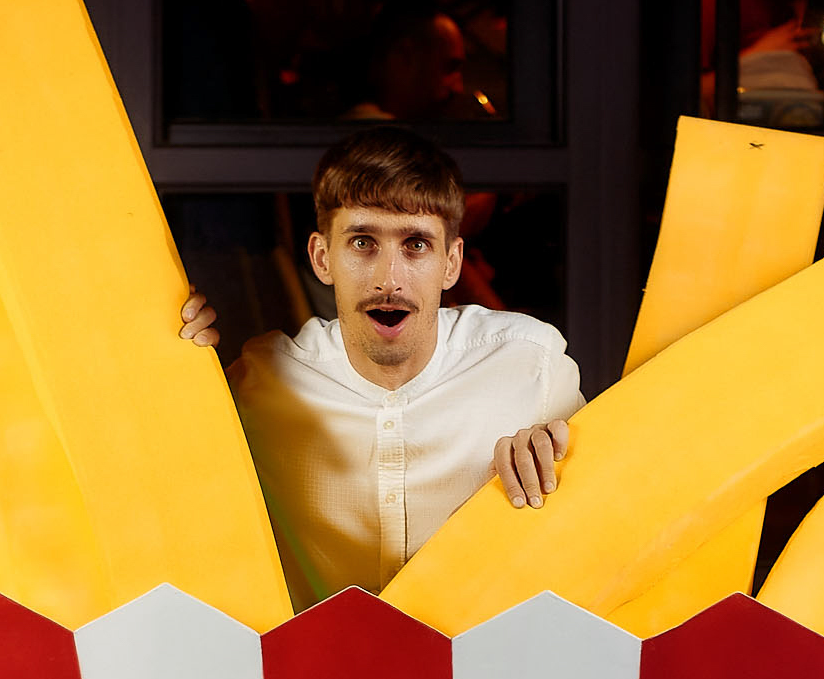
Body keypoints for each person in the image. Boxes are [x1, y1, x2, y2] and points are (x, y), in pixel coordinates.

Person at [180, 127, 582, 610]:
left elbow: (601, 528)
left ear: (451, 262)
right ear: (322, 258)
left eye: (416, 245)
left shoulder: (533, 366)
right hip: (313, 655)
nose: (389, 280)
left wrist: (564, 464)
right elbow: (174, 500)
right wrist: (173, 357)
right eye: (363, 242)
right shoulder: (259, 382)